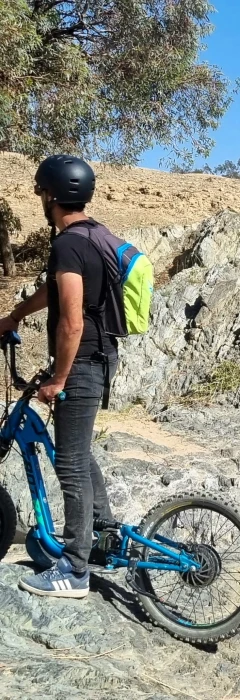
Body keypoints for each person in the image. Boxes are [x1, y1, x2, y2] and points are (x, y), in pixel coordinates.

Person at [0, 155, 118, 598]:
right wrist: (13, 315)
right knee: (78, 451)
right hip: (99, 360)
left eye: (41, 192)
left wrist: (59, 377)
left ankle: (74, 568)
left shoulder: (68, 244)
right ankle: (103, 531)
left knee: (68, 464)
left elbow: (72, 322)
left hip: (83, 364)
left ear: (51, 194)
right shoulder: (94, 235)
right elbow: (56, 289)